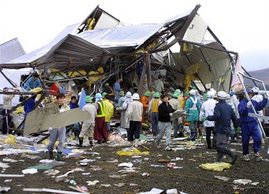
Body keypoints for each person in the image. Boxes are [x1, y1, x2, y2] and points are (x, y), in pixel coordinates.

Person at [207, 91, 238, 165]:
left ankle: (232, 154)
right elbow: (234, 118)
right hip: (227, 128)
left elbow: (216, 116)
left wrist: (209, 118)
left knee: (219, 146)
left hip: (220, 128)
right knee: (222, 145)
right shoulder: (229, 107)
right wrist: (236, 127)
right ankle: (218, 161)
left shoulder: (218, 106)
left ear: (218, 99)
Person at [238, 88, 268, 161]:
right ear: (245, 95)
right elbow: (241, 112)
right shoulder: (241, 103)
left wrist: (265, 99)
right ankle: (245, 154)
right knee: (245, 140)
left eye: (251, 94)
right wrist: (246, 107)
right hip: (245, 124)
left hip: (254, 123)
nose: (250, 95)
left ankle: (256, 152)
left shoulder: (253, 102)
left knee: (258, 138)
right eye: (248, 94)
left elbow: (260, 106)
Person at [47, 93, 70, 161]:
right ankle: (50, 151)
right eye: (60, 98)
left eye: (63, 98)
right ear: (57, 99)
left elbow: (68, 116)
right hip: (54, 126)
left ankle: (59, 154)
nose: (62, 100)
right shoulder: (52, 107)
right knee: (52, 142)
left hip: (62, 126)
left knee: (62, 141)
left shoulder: (66, 107)